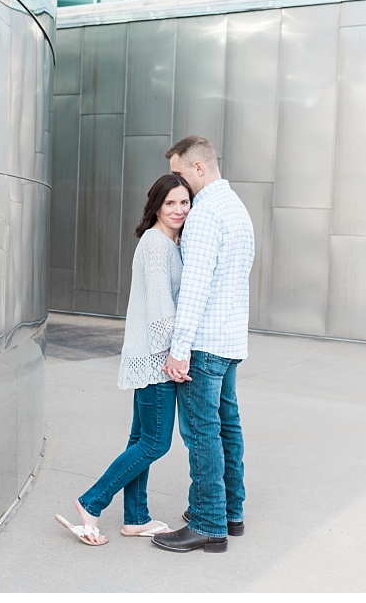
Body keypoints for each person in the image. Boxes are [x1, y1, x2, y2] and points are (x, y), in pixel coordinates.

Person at [55, 173, 194, 546]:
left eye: (184, 202)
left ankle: (136, 518)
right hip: (157, 358)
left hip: (152, 355)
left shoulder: (169, 242)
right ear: (156, 207)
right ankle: (91, 501)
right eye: (170, 203)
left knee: (140, 438)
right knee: (155, 442)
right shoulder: (156, 244)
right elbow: (161, 309)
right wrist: (175, 355)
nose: (179, 209)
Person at [153, 135, 255, 554]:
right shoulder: (236, 208)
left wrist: (179, 349)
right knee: (226, 426)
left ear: (197, 168)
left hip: (206, 343)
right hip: (231, 341)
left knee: (202, 433)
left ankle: (208, 522)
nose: (177, 182)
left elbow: (195, 287)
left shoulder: (205, 214)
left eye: (179, 172)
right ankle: (231, 512)